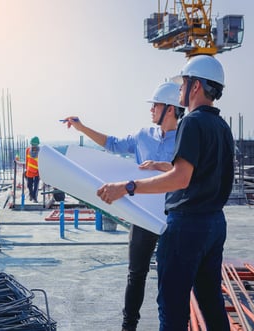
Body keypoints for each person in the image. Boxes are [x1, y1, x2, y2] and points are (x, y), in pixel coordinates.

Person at [97, 55, 234, 330]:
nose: (181, 89)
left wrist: (128, 186)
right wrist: (165, 165)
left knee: (172, 310)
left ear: (196, 86)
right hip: (215, 224)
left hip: (187, 227)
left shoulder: (191, 123)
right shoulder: (222, 127)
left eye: (183, 83)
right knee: (211, 304)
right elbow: (204, 173)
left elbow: (181, 179)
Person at [63, 81, 185, 331]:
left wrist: (163, 167)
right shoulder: (143, 136)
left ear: (170, 109)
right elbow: (113, 143)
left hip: (174, 216)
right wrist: (81, 126)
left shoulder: (185, 138)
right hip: (143, 216)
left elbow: (190, 174)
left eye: (156, 105)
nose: (151, 110)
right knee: (136, 274)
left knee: (170, 277)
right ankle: (128, 327)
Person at [25, 136, 40, 203]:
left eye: (34, 145)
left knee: (36, 186)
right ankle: (31, 195)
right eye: (32, 144)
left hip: (37, 171)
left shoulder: (40, 152)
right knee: (29, 185)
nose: (33, 146)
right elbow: (27, 160)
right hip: (29, 170)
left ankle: (35, 198)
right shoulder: (28, 150)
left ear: (37, 145)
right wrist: (26, 169)